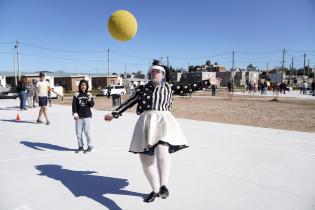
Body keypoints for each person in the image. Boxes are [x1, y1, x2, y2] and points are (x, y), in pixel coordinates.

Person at [104, 61, 210, 203]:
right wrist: (114, 113)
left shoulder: (169, 87)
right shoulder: (142, 89)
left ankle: (164, 185)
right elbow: (129, 102)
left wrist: (207, 82)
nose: (154, 73)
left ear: (163, 75)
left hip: (163, 121)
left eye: (157, 71)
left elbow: (188, 88)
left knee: (162, 149)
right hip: (146, 122)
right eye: (152, 71)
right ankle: (155, 190)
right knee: (146, 162)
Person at [72, 79, 95, 153]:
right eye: (82, 85)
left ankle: (90, 145)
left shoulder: (89, 94)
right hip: (79, 116)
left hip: (87, 115)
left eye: (85, 85)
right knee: (78, 133)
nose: (83, 86)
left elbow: (92, 105)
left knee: (87, 132)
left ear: (87, 86)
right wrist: (75, 113)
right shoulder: (76, 94)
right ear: (80, 86)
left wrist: (89, 99)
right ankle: (80, 146)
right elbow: (74, 105)